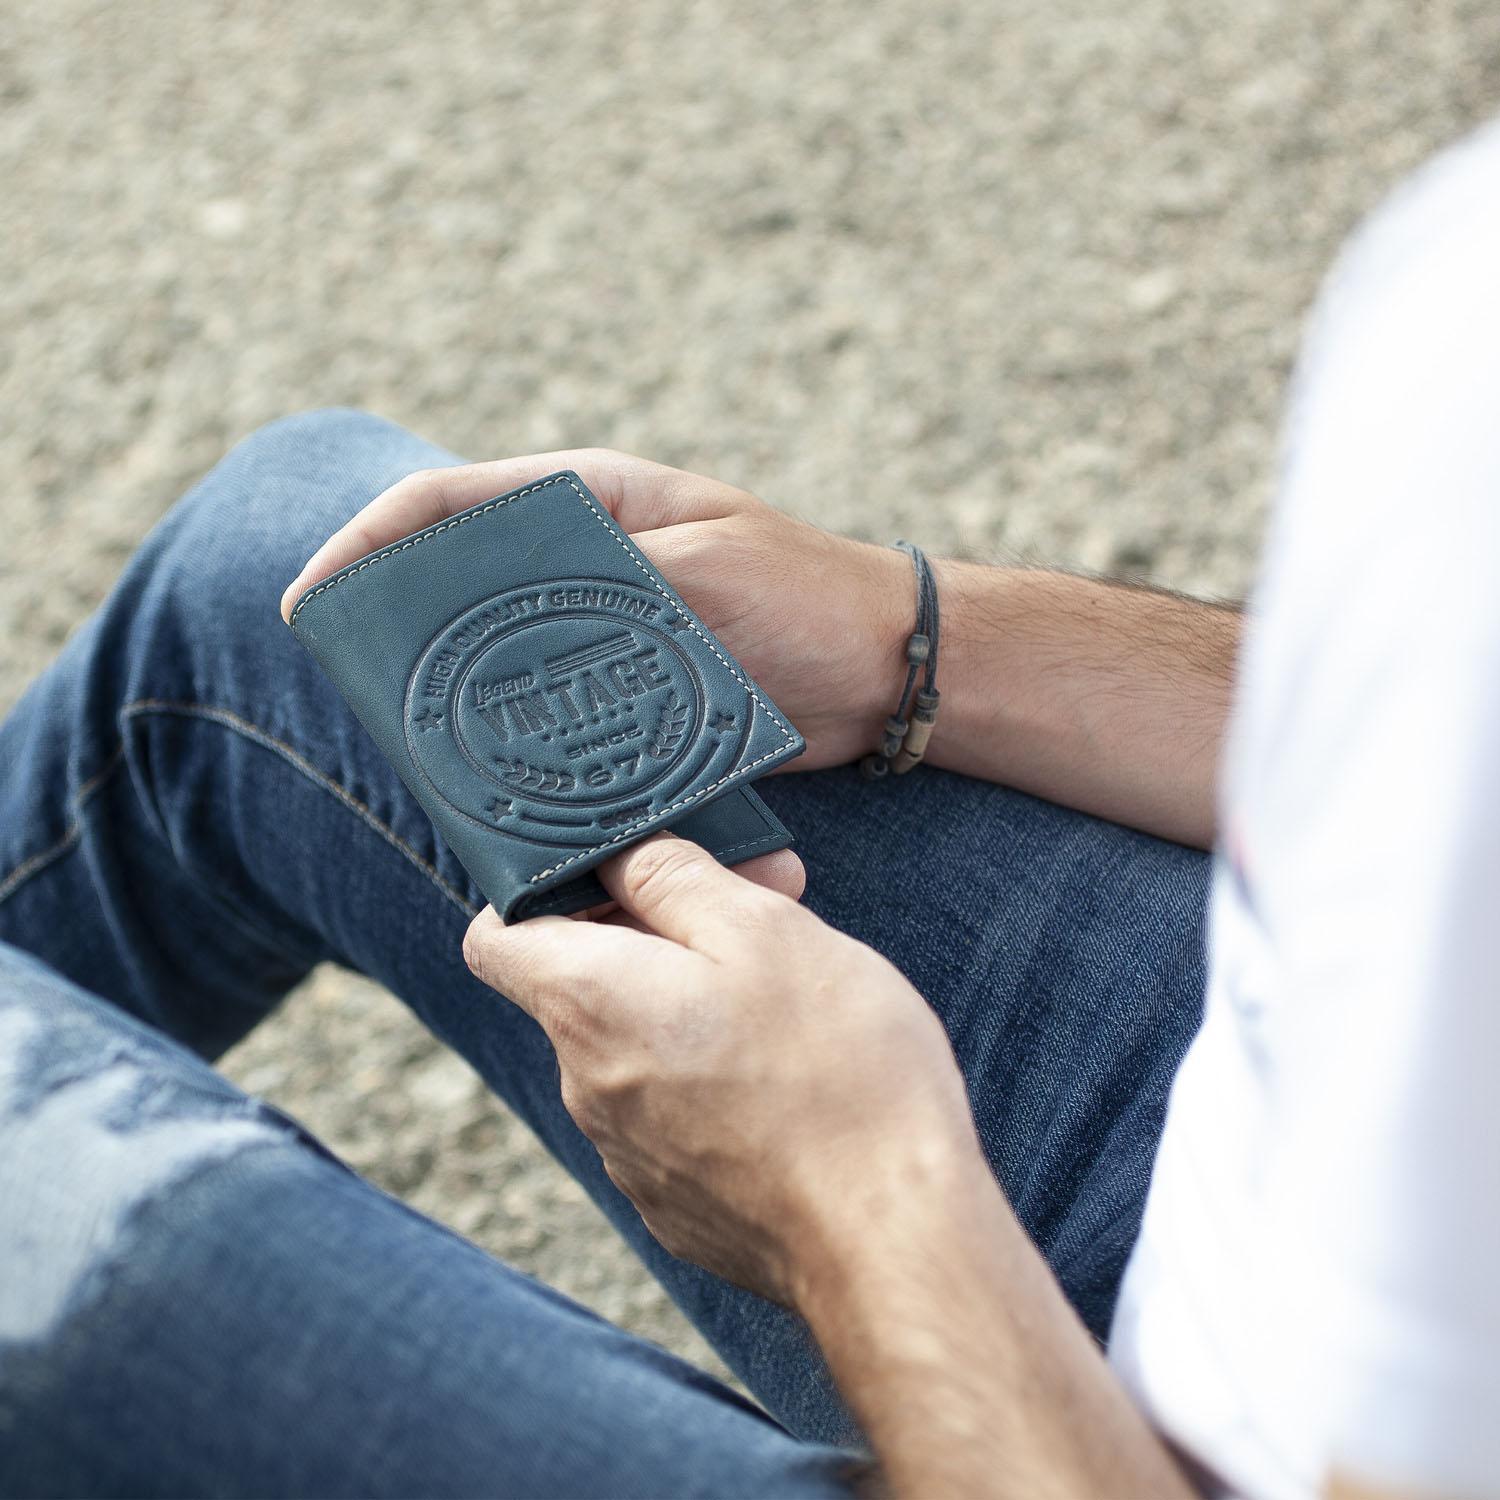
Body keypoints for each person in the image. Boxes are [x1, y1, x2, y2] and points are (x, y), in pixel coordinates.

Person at [2, 118, 1497, 1500]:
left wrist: (858, 1205)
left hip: (1100, 1433)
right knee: (290, 547)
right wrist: (922, 636)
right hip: (1296, 1100)